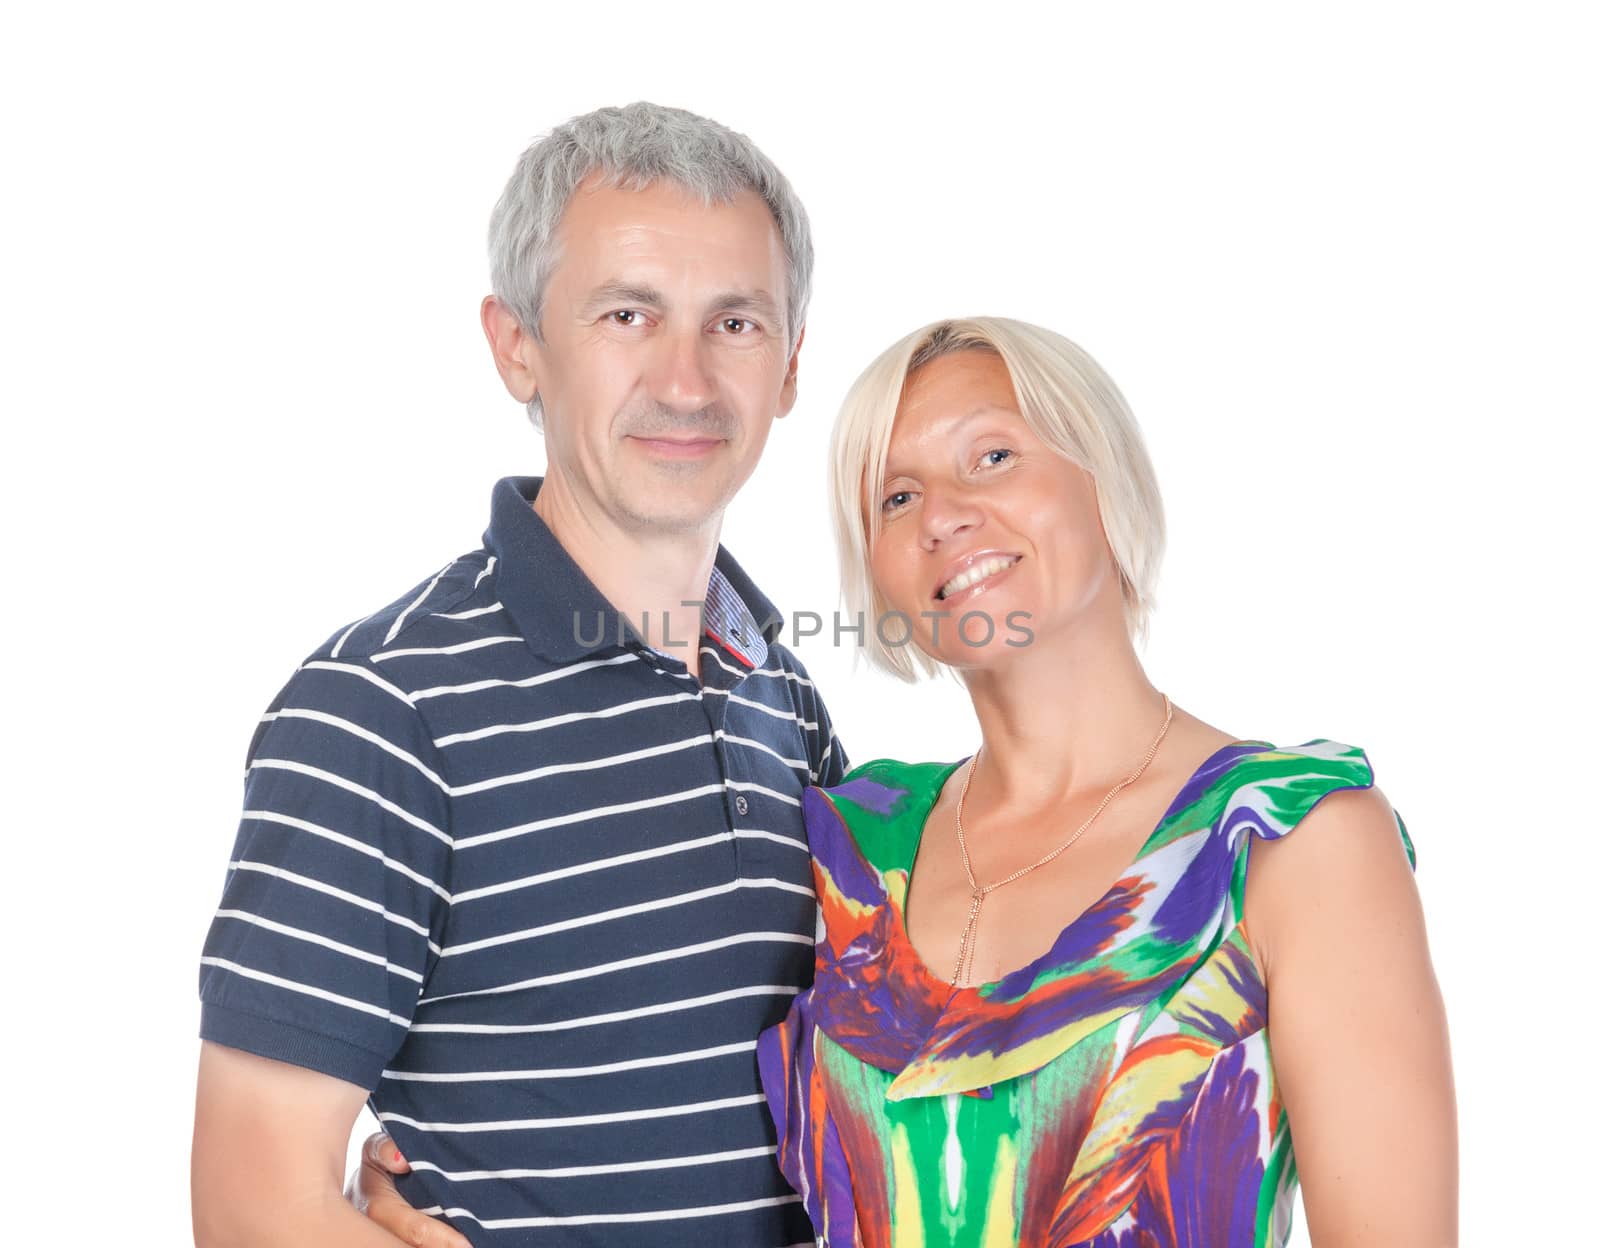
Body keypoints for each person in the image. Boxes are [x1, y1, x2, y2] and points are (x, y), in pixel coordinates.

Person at [191, 102, 845, 1248]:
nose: (685, 382)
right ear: (517, 346)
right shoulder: (382, 715)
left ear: (789, 365)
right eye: (627, 315)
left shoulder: (781, 699)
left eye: (733, 323)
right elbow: (255, 1210)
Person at [754, 318, 1458, 1246]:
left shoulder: (1294, 841)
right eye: (895, 497)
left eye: (993, 455)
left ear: (1104, 480)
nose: (943, 514)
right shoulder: (853, 850)